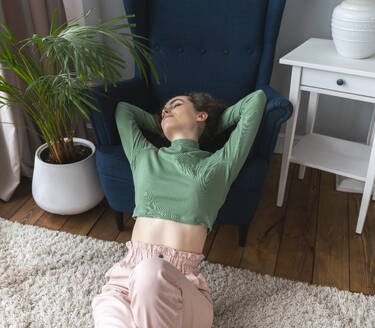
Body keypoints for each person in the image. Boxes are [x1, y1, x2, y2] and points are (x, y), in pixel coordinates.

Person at [91, 89, 267, 328]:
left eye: (175, 105)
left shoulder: (218, 165)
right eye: (164, 109)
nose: (166, 110)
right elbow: (125, 111)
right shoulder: (144, 156)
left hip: (183, 290)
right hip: (125, 282)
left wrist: (212, 123)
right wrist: (163, 122)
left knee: (150, 272)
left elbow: (256, 101)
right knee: (108, 304)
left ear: (200, 116)